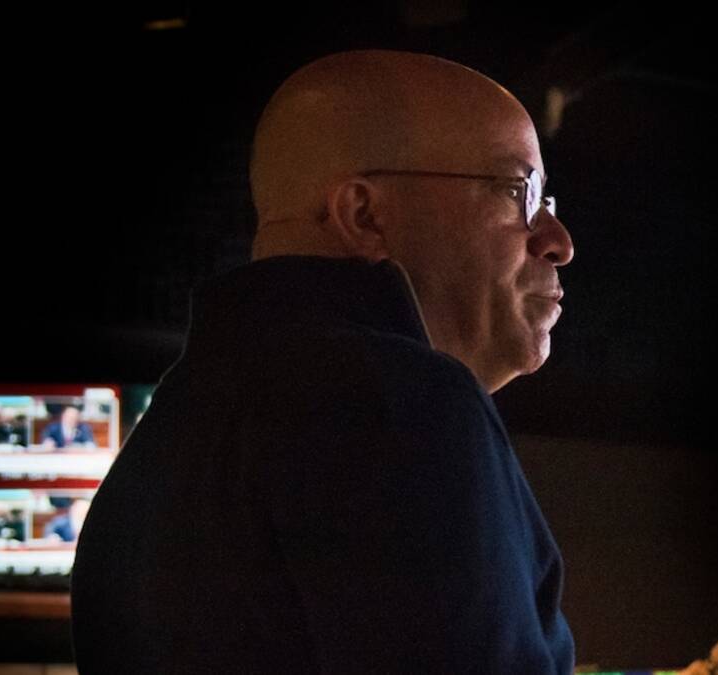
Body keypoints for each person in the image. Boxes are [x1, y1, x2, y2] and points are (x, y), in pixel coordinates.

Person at [70, 50, 575, 673]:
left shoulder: (167, 434)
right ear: (365, 215)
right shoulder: (401, 403)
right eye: (517, 191)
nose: (558, 241)